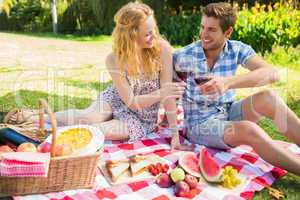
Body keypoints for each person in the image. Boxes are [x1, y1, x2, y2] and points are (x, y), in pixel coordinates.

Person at [4, 2, 191, 150]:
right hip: (120, 98)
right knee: (89, 117)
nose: (154, 37)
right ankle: (35, 118)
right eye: (148, 34)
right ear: (132, 37)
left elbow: (167, 96)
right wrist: (163, 92)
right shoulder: (113, 59)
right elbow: (131, 101)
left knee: (94, 130)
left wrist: (175, 135)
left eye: (154, 31)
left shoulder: (162, 50)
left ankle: (41, 135)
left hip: (142, 117)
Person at [173, 2, 300, 175]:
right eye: (202, 27)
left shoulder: (237, 49)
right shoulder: (183, 55)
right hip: (199, 124)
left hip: (228, 111)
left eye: (211, 29)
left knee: (268, 98)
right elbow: (168, 92)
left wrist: (228, 82)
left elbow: (272, 74)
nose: (203, 34)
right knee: (249, 129)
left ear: (228, 32)